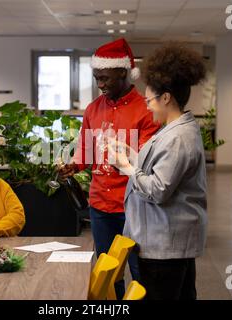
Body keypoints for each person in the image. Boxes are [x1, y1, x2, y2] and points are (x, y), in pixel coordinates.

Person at [60, 38, 161, 299]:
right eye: (97, 79)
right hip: (100, 205)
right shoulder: (94, 108)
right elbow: (86, 148)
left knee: (141, 272)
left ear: (124, 73)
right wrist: (73, 164)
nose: (100, 85)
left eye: (105, 78)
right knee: (108, 272)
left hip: (134, 205)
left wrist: (124, 158)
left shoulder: (146, 110)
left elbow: (147, 160)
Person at [108, 42, 208, 300]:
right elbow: (157, 167)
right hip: (164, 242)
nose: (147, 106)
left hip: (164, 247)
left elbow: (158, 189)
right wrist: (130, 154)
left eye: (149, 100)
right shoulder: (174, 130)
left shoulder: (178, 137)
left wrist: (127, 168)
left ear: (166, 98)